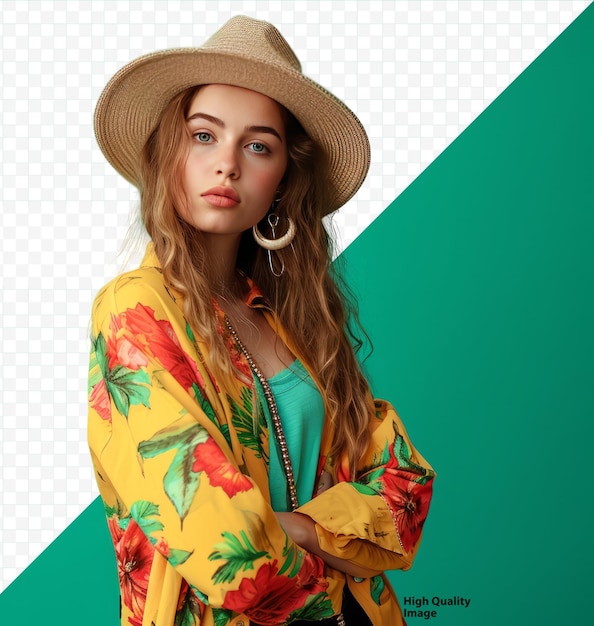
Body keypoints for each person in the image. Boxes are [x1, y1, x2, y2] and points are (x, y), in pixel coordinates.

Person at [88, 15, 435, 626]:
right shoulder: (134, 310)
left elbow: (405, 488)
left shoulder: (294, 323)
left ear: (281, 182)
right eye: (203, 136)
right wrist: (344, 542)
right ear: (169, 152)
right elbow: (228, 552)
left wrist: (300, 527)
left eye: (257, 146)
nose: (227, 164)